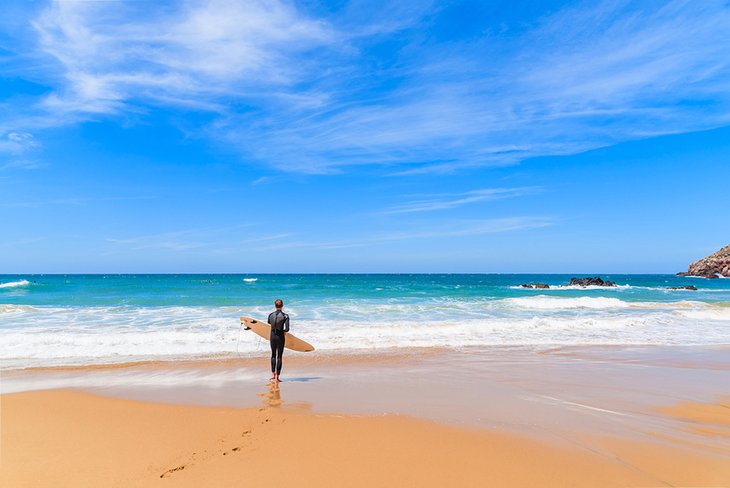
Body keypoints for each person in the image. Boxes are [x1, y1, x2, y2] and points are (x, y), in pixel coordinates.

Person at [267, 299, 289, 382]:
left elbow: (269, 322)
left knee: (273, 355)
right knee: (279, 357)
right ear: (282, 306)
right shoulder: (285, 316)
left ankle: (273, 375)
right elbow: (287, 329)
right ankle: (277, 378)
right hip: (280, 337)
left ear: (275, 306)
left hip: (272, 336)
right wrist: (283, 331)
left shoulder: (270, 315)